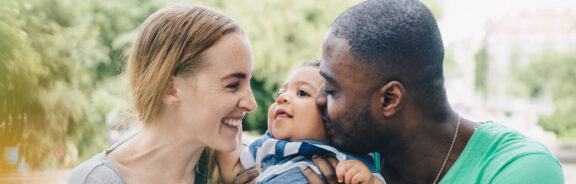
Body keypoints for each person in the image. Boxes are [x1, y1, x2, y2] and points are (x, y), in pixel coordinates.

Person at [300, 0, 565, 183]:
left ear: (390, 99)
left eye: (333, 90)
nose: (320, 98)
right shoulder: (345, 158)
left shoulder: (520, 169)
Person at [67, 3, 257, 184]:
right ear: (170, 89)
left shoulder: (247, 167)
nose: (252, 104)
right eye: (232, 85)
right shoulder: (97, 180)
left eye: (249, 82)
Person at [221, 61, 385, 184]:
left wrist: (369, 180)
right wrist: (230, 108)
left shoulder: (347, 156)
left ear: (333, 114)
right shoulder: (266, 146)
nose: (281, 98)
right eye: (280, 92)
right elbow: (230, 171)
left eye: (302, 93)